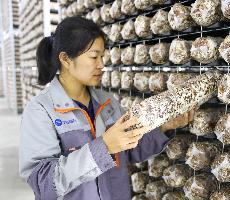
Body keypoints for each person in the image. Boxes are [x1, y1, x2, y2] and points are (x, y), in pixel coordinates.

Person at [19, 17, 195, 200]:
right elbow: (44, 183)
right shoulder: (40, 111)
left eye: (102, 56)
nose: (101, 64)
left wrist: (164, 127)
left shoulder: (107, 102)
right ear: (65, 59)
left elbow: (131, 150)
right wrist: (104, 147)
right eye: (94, 56)